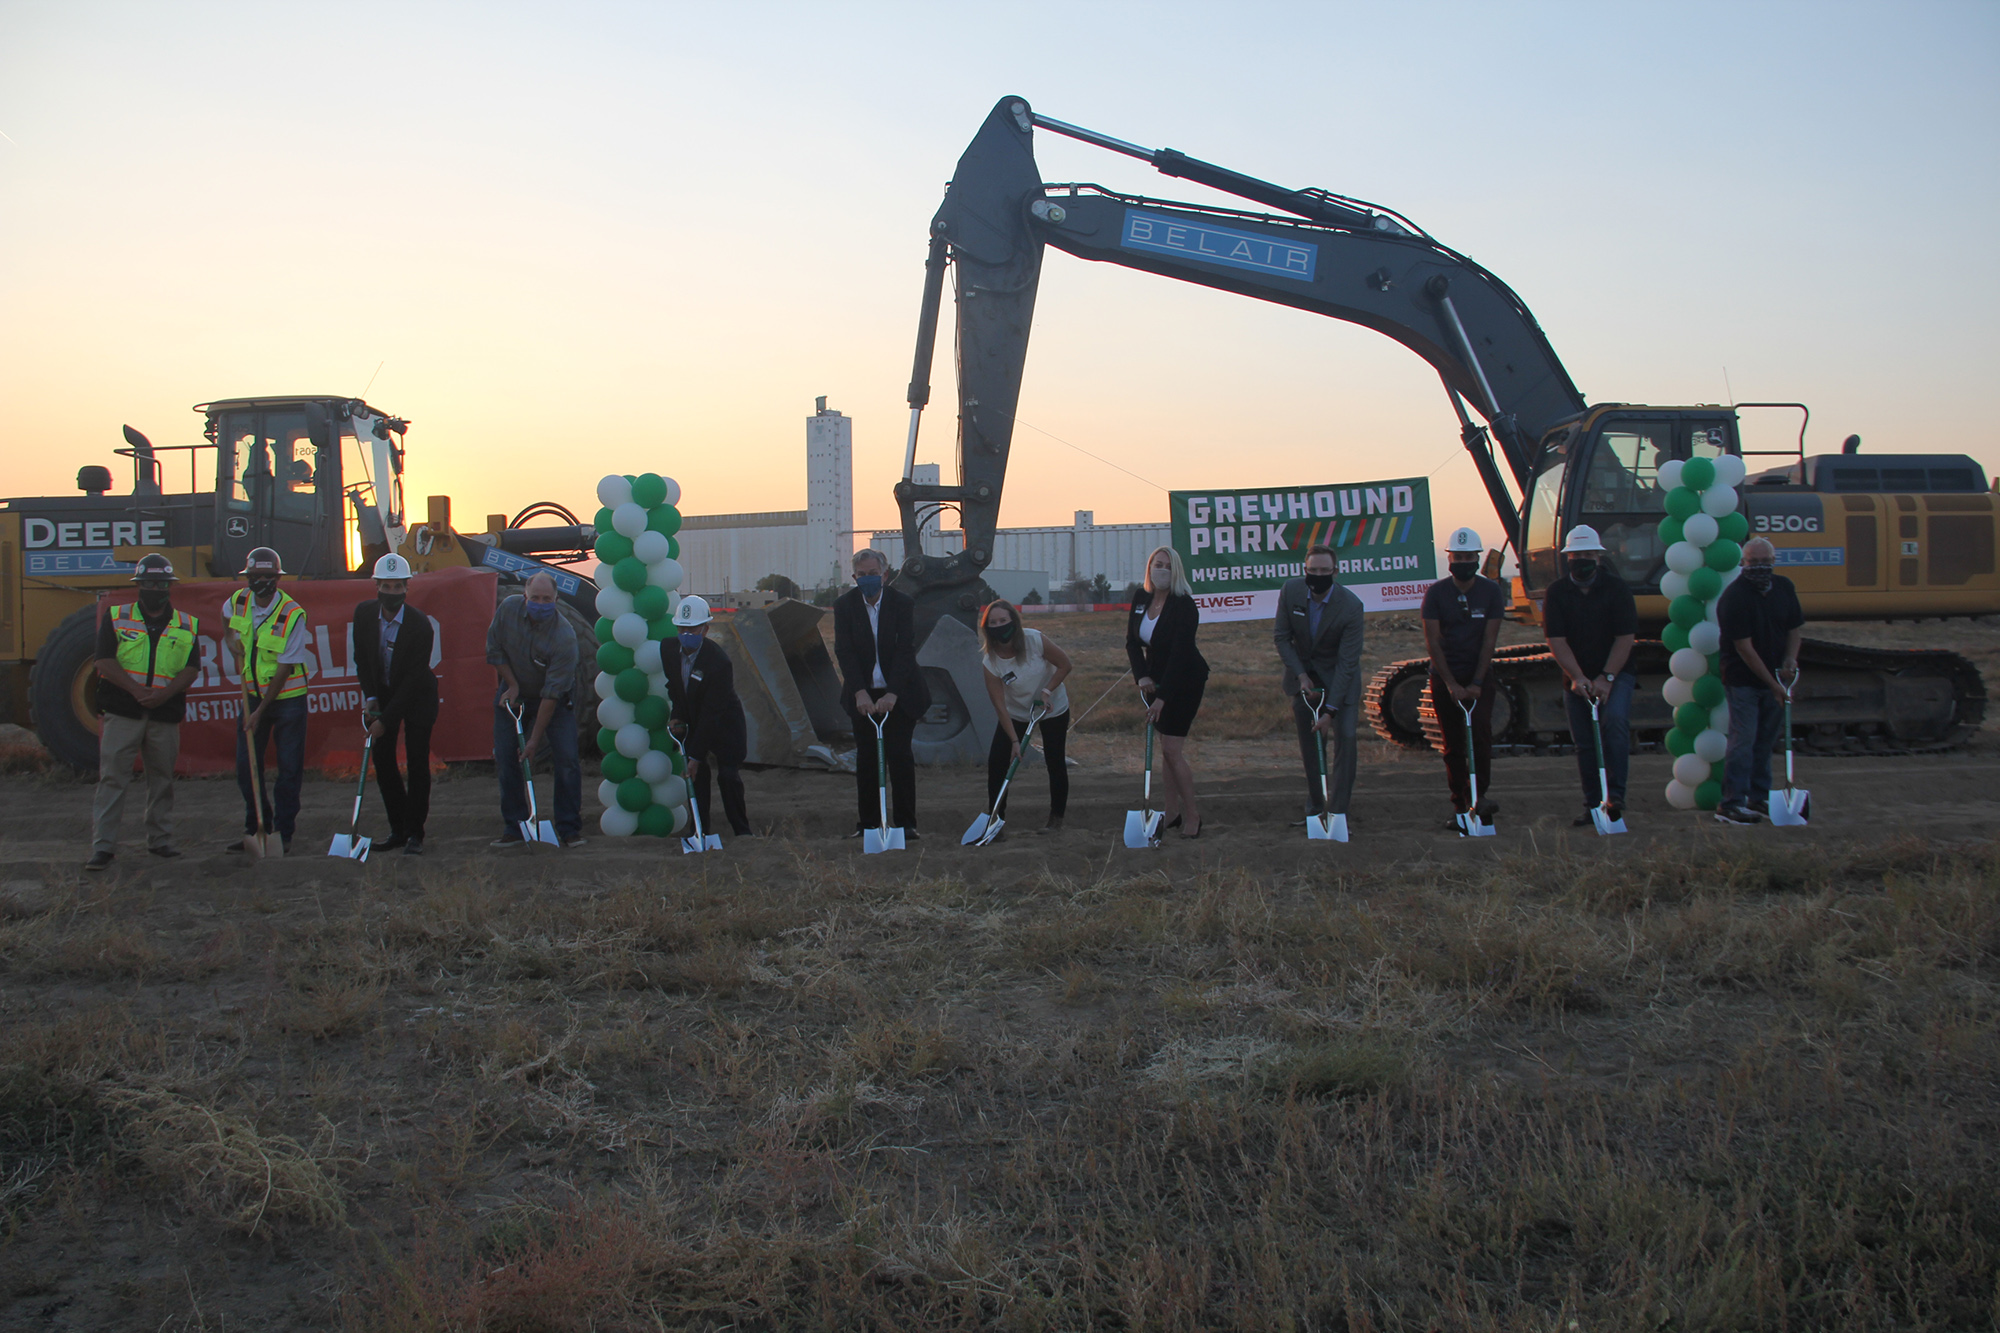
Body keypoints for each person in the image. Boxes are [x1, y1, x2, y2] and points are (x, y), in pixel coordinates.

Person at [86, 553, 200, 871]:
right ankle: (104, 847)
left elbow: (191, 669)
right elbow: (103, 661)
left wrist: (163, 695)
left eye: (161, 583)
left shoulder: (187, 624)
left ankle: (160, 841)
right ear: (139, 585)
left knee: (162, 780)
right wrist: (137, 691)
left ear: (169, 586)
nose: (155, 588)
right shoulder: (116, 616)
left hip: (164, 714)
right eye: (148, 582)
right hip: (122, 712)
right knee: (112, 779)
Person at [1541, 525, 1638, 825]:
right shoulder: (1556, 593)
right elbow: (1557, 641)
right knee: (1584, 741)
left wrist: (1606, 678)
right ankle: (1593, 804)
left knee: (1616, 725)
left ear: (1598, 557)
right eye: (1576, 555)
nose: (1582, 559)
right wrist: (1578, 677)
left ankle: (1616, 796)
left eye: (1587, 554)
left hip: (1615, 672)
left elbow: (1625, 637)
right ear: (1567, 557)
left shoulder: (1617, 589)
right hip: (1577, 676)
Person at [833, 549, 931, 838]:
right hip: (862, 693)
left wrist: (892, 694)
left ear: (885, 575)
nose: (868, 579)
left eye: (873, 574)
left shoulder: (901, 603)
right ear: (854, 577)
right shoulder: (845, 606)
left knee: (899, 756)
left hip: (899, 692)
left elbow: (905, 650)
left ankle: (905, 825)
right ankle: (869, 826)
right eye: (861, 575)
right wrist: (859, 692)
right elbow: (845, 651)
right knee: (867, 760)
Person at [221, 547, 311, 853]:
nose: (262, 582)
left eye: (268, 577)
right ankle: (256, 826)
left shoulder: (292, 614)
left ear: (277, 579)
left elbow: (285, 668)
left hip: (287, 700)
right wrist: (233, 645)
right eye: (256, 576)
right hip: (252, 694)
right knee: (247, 767)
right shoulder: (238, 601)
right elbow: (226, 621)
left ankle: (283, 835)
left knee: (288, 770)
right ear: (247, 578)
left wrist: (260, 711)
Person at [486, 573, 584, 848]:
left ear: (556, 600)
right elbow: (494, 651)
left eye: (547, 599)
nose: (541, 604)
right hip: (514, 691)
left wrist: (533, 741)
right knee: (506, 757)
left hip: (554, 698)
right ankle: (515, 827)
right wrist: (513, 685)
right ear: (525, 596)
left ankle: (569, 828)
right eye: (535, 598)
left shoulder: (564, 637)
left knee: (566, 760)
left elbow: (551, 696)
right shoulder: (507, 610)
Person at [1714, 537, 1804, 826]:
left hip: (1778, 678)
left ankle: (1759, 797)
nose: (1760, 567)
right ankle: (1731, 803)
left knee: (1766, 740)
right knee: (1744, 739)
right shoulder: (1734, 597)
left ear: (1773, 561)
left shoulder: (1785, 588)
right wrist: (1773, 684)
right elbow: (1744, 648)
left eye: (1766, 562)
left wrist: (1791, 660)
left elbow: (1794, 628)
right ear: (1743, 563)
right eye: (1754, 562)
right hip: (1743, 680)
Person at [1421, 527, 1507, 827]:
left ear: (1477, 558)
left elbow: (1488, 642)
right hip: (1446, 678)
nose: (1463, 561)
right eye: (1458, 556)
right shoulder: (1436, 593)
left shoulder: (1491, 592)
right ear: (1450, 559)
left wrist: (1476, 683)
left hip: (1478, 677)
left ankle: (1479, 796)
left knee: (1481, 735)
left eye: (1469, 556)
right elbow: (1433, 642)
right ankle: (1460, 804)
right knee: (1453, 744)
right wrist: (1451, 684)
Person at [352, 553, 437, 854]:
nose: (391, 593)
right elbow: (362, 659)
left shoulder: (420, 626)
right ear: (376, 586)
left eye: (397, 587)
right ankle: (398, 828)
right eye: (385, 587)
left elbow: (413, 681)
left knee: (417, 762)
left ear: (406, 588)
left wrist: (384, 721)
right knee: (383, 760)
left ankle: (415, 833)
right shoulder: (363, 614)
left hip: (417, 697)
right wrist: (371, 697)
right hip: (384, 693)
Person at [1273, 544, 1363, 827]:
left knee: (1346, 738)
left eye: (1325, 571)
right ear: (1305, 570)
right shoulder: (1291, 591)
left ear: (1336, 572)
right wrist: (1300, 675)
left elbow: (1348, 662)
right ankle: (1315, 809)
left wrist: (1331, 710)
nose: (1318, 575)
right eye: (1313, 570)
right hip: (1304, 679)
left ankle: (1338, 812)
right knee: (1311, 747)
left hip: (1339, 678)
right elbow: (1281, 637)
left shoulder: (1351, 606)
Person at [1126, 546, 1210, 837]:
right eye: (1155, 564)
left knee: (1172, 750)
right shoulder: (1141, 598)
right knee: (1165, 749)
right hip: (1155, 679)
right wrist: (1142, 676)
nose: (1160, 570)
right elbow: (1132, 643)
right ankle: (1171, 811)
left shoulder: (1184, 604)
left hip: (1184, 680)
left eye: (1166, 566)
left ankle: (1193, 816)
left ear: (1175, 571)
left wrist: (1163, 698)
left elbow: (1181, 652)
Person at [978, 599, 1073, 835]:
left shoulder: (1034, 639)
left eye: (1003, 620)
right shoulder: (990, 661)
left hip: (1051, 707)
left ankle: (1056, 818)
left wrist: (1047, 690)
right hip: (1017, 712)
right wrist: (1013, 741)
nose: (999, 626)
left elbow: (1065, 664)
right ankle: (996, 820)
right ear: (987, 628)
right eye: (993, 622)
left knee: (1055, 761)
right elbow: (999, 705)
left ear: (1014, 621)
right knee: (997, 762)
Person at [664, 594, 753, 837]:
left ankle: (742, 832)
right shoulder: (668, 650)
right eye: (682, 628)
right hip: (694, 721)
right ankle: (699, 832)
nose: (687, 633)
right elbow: (675, 688)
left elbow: (712, 713)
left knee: (727, 776)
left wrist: (696, 755)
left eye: (693, 628)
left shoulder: (718, 663)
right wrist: (676, 715)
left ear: (705, 629)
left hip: (724, 723)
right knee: (697, 779)